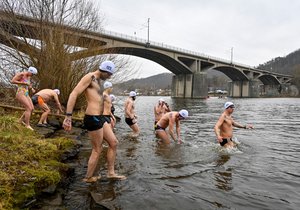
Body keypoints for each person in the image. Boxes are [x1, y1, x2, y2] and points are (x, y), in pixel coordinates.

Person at [62, 60, 117, 183]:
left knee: (113, 143)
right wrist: (68, 116)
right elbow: (74, 93)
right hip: (93, 117)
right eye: (109, 74)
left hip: (101, 117)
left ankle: (111, 173)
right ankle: (88, 178)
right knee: (97, 149)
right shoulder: (90, 77)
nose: (110, 77)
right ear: (105, 71)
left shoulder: (99, 81)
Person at [101, 82, 126, 180]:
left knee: (100, 147)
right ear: (109, 88)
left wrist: (112, 117)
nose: (112, 89)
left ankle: (94, 173)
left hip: (106, 118)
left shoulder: (106, 96)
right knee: (114, 143)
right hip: (102, 118)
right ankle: (110, 173)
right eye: (111, 87)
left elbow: (108, 109)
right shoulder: (103, 95)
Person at [11, 66, 38, 130]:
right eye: (32, 74)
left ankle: (20, 121)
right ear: (29, 71)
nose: (32, 76)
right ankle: (27, 125)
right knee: (28, 108)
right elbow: (12, 81)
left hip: (26, 93)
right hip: (20, 93)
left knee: (32, 108)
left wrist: (32, 89)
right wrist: (22, 83)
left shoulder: (28, 77)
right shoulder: (21, 74)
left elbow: (28, 84)